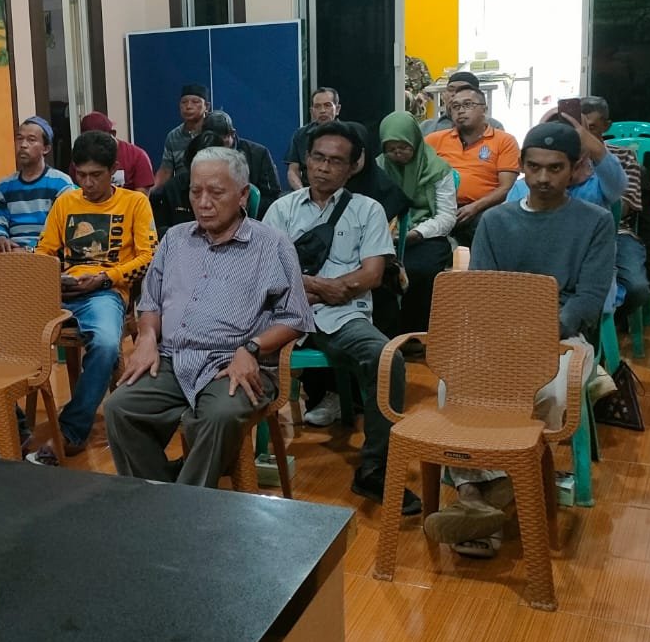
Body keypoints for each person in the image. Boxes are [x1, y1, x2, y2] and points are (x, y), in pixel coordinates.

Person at [425, 121, 610, 559]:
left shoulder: (595, 222)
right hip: (496, 333)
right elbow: (482, 291)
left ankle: (479, 503)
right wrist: (503, 335)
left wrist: (538, 333)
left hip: (561, 335)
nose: (543, 178)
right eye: (534, 167)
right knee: (453, 386)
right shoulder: (496, 220)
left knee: (548, 391)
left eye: (555, 168)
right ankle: (477, 494)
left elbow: (587, 299)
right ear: (522, 166)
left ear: (575, 169)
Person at [104, 147, 314, 487]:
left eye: (216, 193)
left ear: (242, 195)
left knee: (218, 416)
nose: (203, 203)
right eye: (195, 192)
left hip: (237, 363)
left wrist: (252, 348)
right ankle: (160, 497)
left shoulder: (271, 245)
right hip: (173, 359)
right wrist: (146, 338)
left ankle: (186, 503)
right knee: (121, 408)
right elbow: (150, 302)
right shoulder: (175, 239)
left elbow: (295, 317)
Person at [261, 121, 420, 515]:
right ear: (306, 159)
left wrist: (326, 289)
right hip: (285, 315)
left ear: (353, 167)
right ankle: (236, 453)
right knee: (229, 344)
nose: (323, 167)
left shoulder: (368, 209)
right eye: (317, 158)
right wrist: (320, 286)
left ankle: (375, 469)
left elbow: (373, 275)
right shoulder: (281, 209)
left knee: (387, 359)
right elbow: (266, 273)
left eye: (335, 161)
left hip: (343, 316)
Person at [31, 131, 159, 465]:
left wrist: (105, 277)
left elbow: (149, 257)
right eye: (81, 175)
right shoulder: (66, 202)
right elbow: (44, 250)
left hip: (105, 291)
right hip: (61, 289)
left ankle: (72, 430)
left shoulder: (134, 202)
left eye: (96, 175)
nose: (87, 183)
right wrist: (50, 276)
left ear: (114, 170)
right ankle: (12, 424)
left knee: (104, 344)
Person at [581, 95, 650, 321]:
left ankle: (610, 321)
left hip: (618, 232)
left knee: (637, 288)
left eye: (591, 127)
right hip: (575, 233)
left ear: (606, 126)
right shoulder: (566, 157)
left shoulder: (623, 156)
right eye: (580, 127)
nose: (585, 134)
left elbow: (625, 208)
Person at [377, 111, 457, 337]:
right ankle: (385, 334)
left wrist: (415, 234)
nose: (397, 154)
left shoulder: (437, 169)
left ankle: (415, 334)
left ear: (415, 141)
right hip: (384, 235)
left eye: (403, 147)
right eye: (391, 149)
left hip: (426, 235)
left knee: (418, 271)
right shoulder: (379, 168)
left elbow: (447, 217)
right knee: (375, 271)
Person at [425, 84, 520, 246]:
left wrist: (475, 207)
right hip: (439, 208)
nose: (461, 111)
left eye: (468, 105)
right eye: (455, 107)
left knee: (492, 223)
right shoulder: (434, 140)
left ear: (484, 109)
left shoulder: (504, 141)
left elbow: (505, 188)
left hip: (482, 209)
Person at [0, 116, 75, 252]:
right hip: (12, 253)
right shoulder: (3, 187)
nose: (23, 145)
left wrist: (31, 250)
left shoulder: (61, 184)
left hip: (48, 253)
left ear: (46, 148)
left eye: (31, 140)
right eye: (19, 138)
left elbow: (64, 228)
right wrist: (0, 238)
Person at [194, 110, 282, 211]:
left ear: (232, 134)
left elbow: (272, 198)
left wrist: (246, 205)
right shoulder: (199, 154)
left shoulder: (259, 154)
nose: (217, 149)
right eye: (213, 143)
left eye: (220, 142)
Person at [79, 111, 155, 193]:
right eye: (88, 141)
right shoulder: (80, 157)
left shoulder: (138, 156)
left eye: (99, 141)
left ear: (112, 134)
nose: (94, 146)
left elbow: (142, 196)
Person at [285, 87, 343, 190]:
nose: (322, 111)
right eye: (317, 106)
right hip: (308, 190)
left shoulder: (350, 134)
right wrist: (303, 192)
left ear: (337, 109)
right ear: (312, 111)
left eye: (327, 105)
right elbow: (293, 170)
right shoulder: (300, 135)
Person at [418, 71, 505, 136]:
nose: (455, 94)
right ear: (444, 95)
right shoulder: (426, 127)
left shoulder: (493, 127)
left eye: (462, 90)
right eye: (451, 89)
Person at [155, 84, 210, 185]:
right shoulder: (173, 136)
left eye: (195, 102)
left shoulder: (214, 131)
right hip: (182, 188)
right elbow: (166, 171)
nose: (188, 107)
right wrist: (150, 191)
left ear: (206, 106)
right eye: (184, 102)